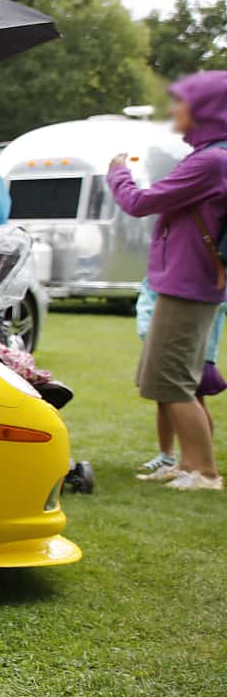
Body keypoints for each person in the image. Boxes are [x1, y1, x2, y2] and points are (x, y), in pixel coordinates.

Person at [106, 70, 227, 491]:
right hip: (188, 281)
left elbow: (139, 202)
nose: (173, 110)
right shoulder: (211, 157)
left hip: (187, 284)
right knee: (173, 377)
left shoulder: (211, 162)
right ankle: (190, 464)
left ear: (205, 110)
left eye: (181, 102)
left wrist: (117, 172)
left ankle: (206, 473)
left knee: (172, 379)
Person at [134, 282, 225, 476]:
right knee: (165, 398)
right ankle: (172, 456)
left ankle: (201, 461)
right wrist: (149, 333)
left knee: (193, 399)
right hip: (167, 342)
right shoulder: (160, 276)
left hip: (199, 351)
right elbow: (146, 301)